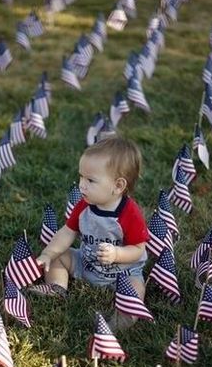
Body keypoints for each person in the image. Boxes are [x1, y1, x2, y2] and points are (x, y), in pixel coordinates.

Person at [30, 137, 149, 331]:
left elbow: (138, 249)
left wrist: (117, 254)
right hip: (86, 263)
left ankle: (121, 320)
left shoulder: (130, 213)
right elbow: (67, 232)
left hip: (122, 273)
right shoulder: (84, 206)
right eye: (81, 177)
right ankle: (57, 287)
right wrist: (49, 254)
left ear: (118, 186)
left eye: (90, 180)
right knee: (62, 256)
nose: (81, 185)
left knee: (137, 288)